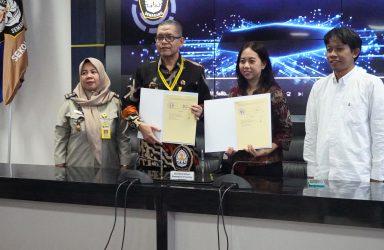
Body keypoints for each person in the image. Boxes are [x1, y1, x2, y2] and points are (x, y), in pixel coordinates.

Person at [122, 20, 211, 178]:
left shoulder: (196, 70)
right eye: (159, 37)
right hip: (150, 147)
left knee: (183, 197)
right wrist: (139, 124)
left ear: (181, 41)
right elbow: (127, 105)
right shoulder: (144, 70)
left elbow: (208, 107)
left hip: (183, 149)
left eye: (169, 37)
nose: (163, 42)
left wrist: (201, 111)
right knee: (150, 196)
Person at [303, 27, 384, 182]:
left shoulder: (371, 84)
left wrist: (377, 176)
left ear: (355, 52)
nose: (332, 54)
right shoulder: (318, 86)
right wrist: (311, 171)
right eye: (329, 49)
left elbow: (380, 134)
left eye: (339, 49)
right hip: (322, 176)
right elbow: (311, 132)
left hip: (356, 176)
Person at [221, 41, 293, 177]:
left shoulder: (274, 93)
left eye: (251, 61)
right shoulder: (234, 93)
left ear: (263, 64)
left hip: (267, 166)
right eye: (242, 61)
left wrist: (265, 150)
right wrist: (228, 145)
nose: (246, 66)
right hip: (240, 165)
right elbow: (229, 127)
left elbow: (286, 130)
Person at [54, 57, 131, 181]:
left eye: (93, 72)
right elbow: (60, 137)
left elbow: (122, 137)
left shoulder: (114, 102)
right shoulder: (70, 103)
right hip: (77, 169)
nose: (88, 76)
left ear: (101, 74)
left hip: (109, 169)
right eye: (84, 73)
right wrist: (59, 166)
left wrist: (124, 165)